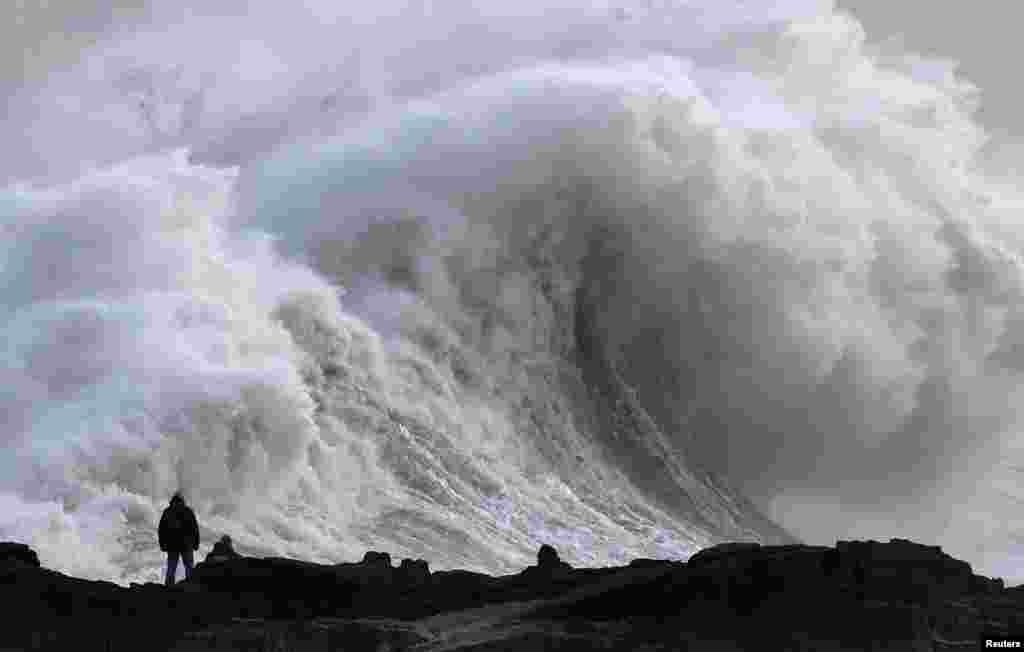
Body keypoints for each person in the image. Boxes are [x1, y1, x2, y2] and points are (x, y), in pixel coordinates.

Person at [158, 492, 200, 586]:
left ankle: (168, 588)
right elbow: (195, 529)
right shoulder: (188, 511)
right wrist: (196, 543)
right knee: (189, 567)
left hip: (172, 545)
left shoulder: (168, 511)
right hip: (186, 545)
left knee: (171, 569)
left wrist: (162, 544)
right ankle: (191, 586)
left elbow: (161, 530)